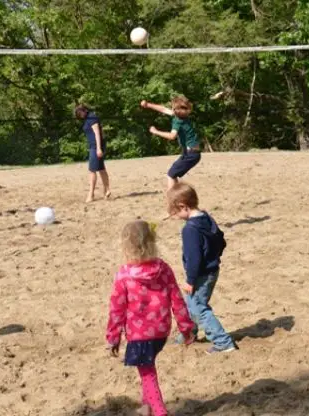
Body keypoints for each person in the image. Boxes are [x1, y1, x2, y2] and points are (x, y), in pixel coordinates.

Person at [106, 220, 195, 416]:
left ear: (126, 247)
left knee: (147, 374)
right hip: (161, 332)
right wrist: (186, 327)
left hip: (139, 336)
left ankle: (160, 411)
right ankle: (146, 408)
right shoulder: (163, 268)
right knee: (147, 366)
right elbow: (177, 300)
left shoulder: (124, 275)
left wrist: (113, 337)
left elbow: (116, 309)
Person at [166, 182, 238, 354]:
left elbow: (194, 259)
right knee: (191, 304)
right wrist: (214, 257)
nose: (174, 216)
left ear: (183, 206)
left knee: (198, 306)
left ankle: (223, 342)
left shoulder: (190, 230)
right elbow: (221, 240)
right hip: (212, 270)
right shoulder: (206, 217)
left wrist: (190, 280)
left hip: (200, 275)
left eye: (175, 213)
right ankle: (189, 333)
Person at [141, 96, 201, 191]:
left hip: (190, 154)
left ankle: (173, 201)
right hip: (192, 154)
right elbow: (163, 109)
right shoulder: (185, 116)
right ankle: (178, 198)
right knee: (173, 174)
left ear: (175, 109)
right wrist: (148, 105)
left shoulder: (177, 121)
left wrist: (156, 131)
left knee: (171, 175)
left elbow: (172, 136)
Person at [74, 105, 111, 203]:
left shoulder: (92, 117)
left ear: (84, 110)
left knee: (92, 171)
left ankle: (91, 195)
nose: (79, 116)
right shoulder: (88, 118)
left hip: (95, 147)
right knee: (101, 169)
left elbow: (97, 133)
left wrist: (98, 148)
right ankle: (107, 190)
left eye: (80, 113)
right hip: (93, 146)